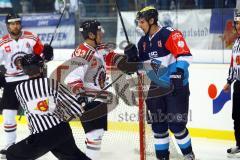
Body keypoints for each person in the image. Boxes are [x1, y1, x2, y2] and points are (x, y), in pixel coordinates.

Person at [127, 6, 195, 160]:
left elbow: (185, 56)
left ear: (152, 20)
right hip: (156, 88)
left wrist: (178, 73)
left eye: (142, 22)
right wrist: (132, 62)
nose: (139, 25)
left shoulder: (169, 34)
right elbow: (144, 69)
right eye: (138, 22)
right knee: (158, 127)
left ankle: (189, 155)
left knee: (177, 126)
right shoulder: (142, 43)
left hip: (175, 86)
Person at [64, 20, 137, 160]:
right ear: (91, 34)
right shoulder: (82, 53)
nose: (101, 33)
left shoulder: (101, 48)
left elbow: (115, 61)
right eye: (98, 31)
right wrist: (81, 97)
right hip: (88, 98)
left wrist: (129, 58)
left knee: (98, 134)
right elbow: (72, 78)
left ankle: (88, 154)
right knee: (95, 134)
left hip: (101, 97)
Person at [5, 54, 90, 160]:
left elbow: (30, 114)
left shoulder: (19, 89)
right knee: (75, 157)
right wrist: (81, 103)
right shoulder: (52, 82)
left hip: (42, 135)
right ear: (41, 67)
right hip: (62, 131)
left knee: (12, 154)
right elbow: (75, 110)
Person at [0, 13, 53, 158]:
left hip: (30, 80)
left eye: (17, 23)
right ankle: (9, 145)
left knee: (36, 113)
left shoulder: (32, 37)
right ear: (7, 26)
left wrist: (47, 55)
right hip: (10, 82)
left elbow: (42, 59)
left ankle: (37, 142)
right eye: (12, 23)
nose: (15, 26)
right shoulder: (2, 42)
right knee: (8, 115)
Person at [223, 10, 240, 156]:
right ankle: (239, 145)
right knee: (237, 116)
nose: (239, 26)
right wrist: (229, 81)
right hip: (239, 85)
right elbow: (233, 64)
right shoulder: (236, 43)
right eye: (237, 23)